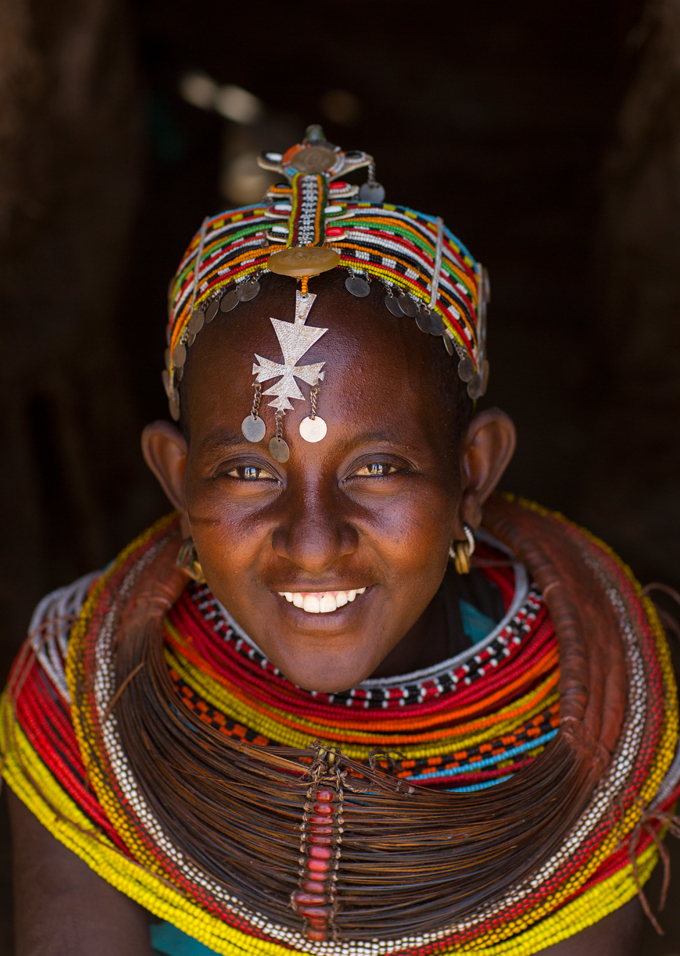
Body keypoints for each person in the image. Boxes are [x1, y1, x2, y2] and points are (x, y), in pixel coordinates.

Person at [3, 126, 679, 956]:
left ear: (473, 474)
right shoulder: (79, 702)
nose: (313, 543)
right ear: (177, 482)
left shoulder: (605, 731)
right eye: (249, 473)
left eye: (379, 467)